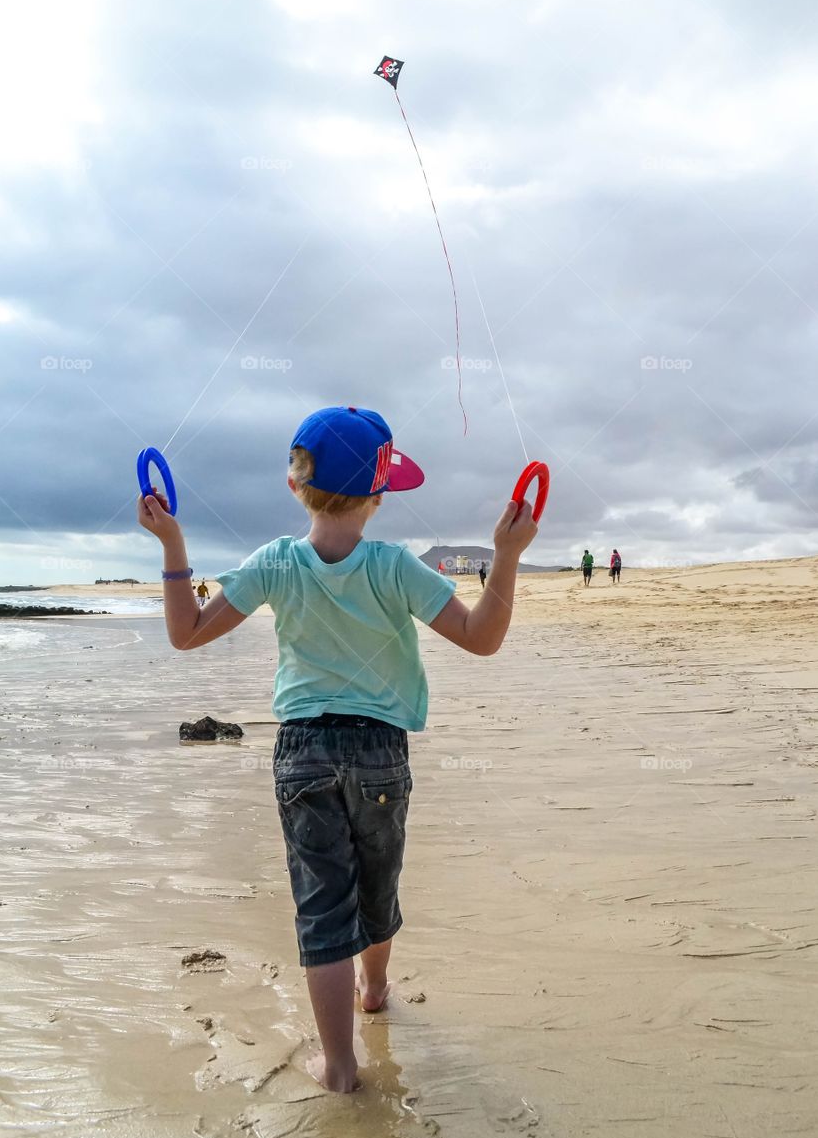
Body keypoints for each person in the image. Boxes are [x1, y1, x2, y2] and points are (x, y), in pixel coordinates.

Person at [137, 405, 538, 1095]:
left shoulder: (276, 562)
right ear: (380, 496)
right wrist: (505, 556)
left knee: (323, 906)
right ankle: (374, 987)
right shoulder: (394, 567)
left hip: (301, 752)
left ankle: (342, 1069)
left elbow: (187, 633)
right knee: (377, 883)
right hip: (381, 749)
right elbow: (481, 637)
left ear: (295, 487)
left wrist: (172, 545)